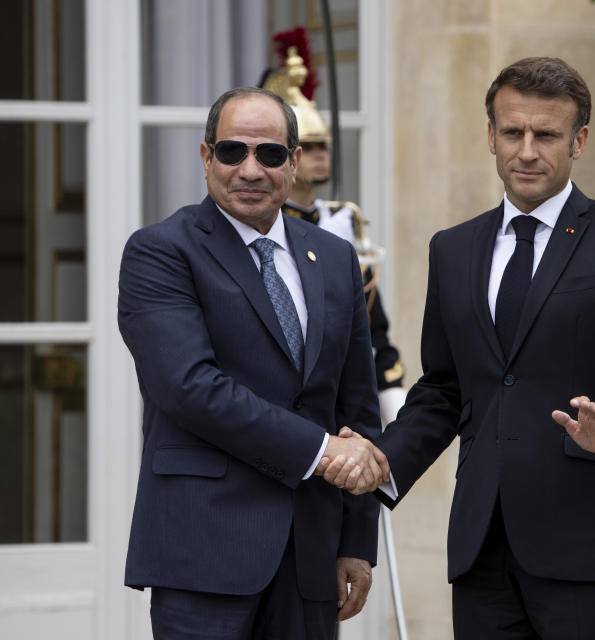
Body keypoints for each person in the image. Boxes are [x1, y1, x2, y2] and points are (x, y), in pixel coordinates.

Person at [325, 56, 595, 638]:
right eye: (513, 132)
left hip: (590, 543)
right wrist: (383, 462)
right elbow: (444, 389)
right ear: (490, 136)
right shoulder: (453, 248)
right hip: (481, 547)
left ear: (579, 141)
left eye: (546, 135)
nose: (527, 151)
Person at [117, 86, 390, 640]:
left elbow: (356, 403)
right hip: (204, 552)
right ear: (204, 157)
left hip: (312, 556)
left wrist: (357, 544)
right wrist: (320, 451)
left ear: (293, 163)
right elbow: (189, 387)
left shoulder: (335, 258)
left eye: (269, 154)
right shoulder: (161, 251)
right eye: (231, 151)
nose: (250, 169)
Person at [261, 39, 407, 426]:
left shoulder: (343, 223)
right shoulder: (260, 226)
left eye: (323, 145)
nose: (320, 153)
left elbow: (374, 330)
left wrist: (395, 403)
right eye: (307, 146)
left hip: (343, 405)